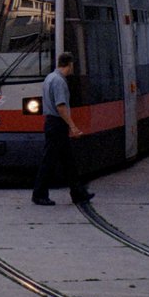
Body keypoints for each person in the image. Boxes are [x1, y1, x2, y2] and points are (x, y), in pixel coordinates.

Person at [32, 52, 94, 206]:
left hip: (52, 123)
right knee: (50, 161)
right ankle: (39, 194)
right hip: (57, 124)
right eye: (73, 65)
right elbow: (61, 107)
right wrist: (73, 126)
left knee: (68, 161)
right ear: (70, 64)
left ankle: (78, 193)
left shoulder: (49, 78)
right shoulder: (59, 81)